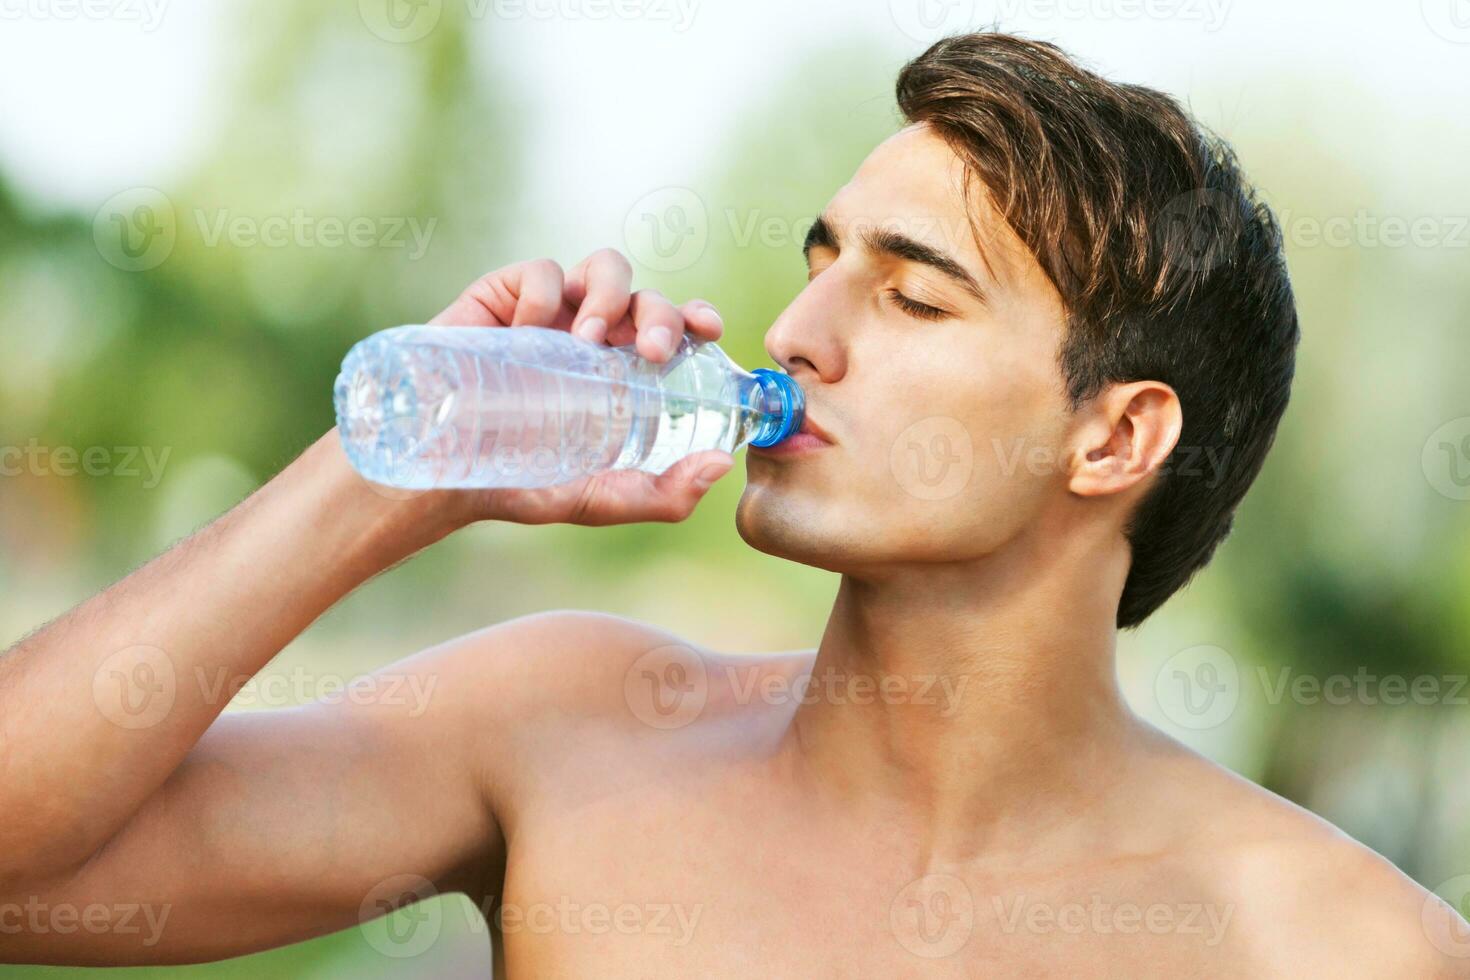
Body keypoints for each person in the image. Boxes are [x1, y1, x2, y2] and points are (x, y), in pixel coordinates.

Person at [2, 32, 1465, 977]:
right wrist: (383, 477)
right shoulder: (568, 725)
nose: (795, 328)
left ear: (1112, 437)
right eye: (818, 262)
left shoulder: (1327, 944)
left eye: (908, 296)